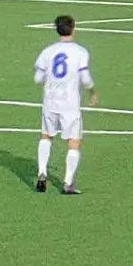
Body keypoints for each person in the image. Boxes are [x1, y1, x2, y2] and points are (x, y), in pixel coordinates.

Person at [33, 15, 97, 195]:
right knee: (73, 142)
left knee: (46, 136)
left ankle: (42, 172)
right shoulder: (80, 52)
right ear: (74, 28)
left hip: (50, 100)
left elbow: (38, 78)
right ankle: (68, 182)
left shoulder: (47, 51)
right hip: (69, 103)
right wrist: (92, 91)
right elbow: (85, 78)